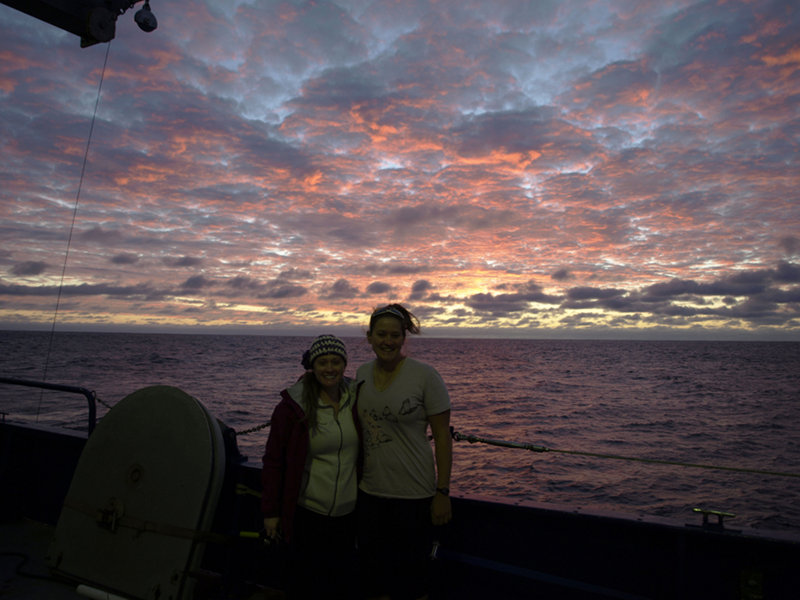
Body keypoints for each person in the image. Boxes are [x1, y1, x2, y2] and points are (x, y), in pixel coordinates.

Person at [356, 304, 453, 600]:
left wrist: (443, 492)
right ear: (369, 337)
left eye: (395, 335)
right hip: (370, 492)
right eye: (381, 334)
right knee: (375, 578)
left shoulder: (425, 376)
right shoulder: (360, 373)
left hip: (414, 495)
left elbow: (443, 438)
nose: (388, 341)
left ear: (403, 338)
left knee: (410, 583)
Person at [260, 334, 360, 599]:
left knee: (339, 586)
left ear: (345, 364)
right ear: (312, 367)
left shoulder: (356, 399)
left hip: (348, 517)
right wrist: (270, 512)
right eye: (323, 362)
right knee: (305, 585)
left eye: (336, 361)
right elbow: (273, 461)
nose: (330, 369)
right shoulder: (292, 407)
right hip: (308, 514)